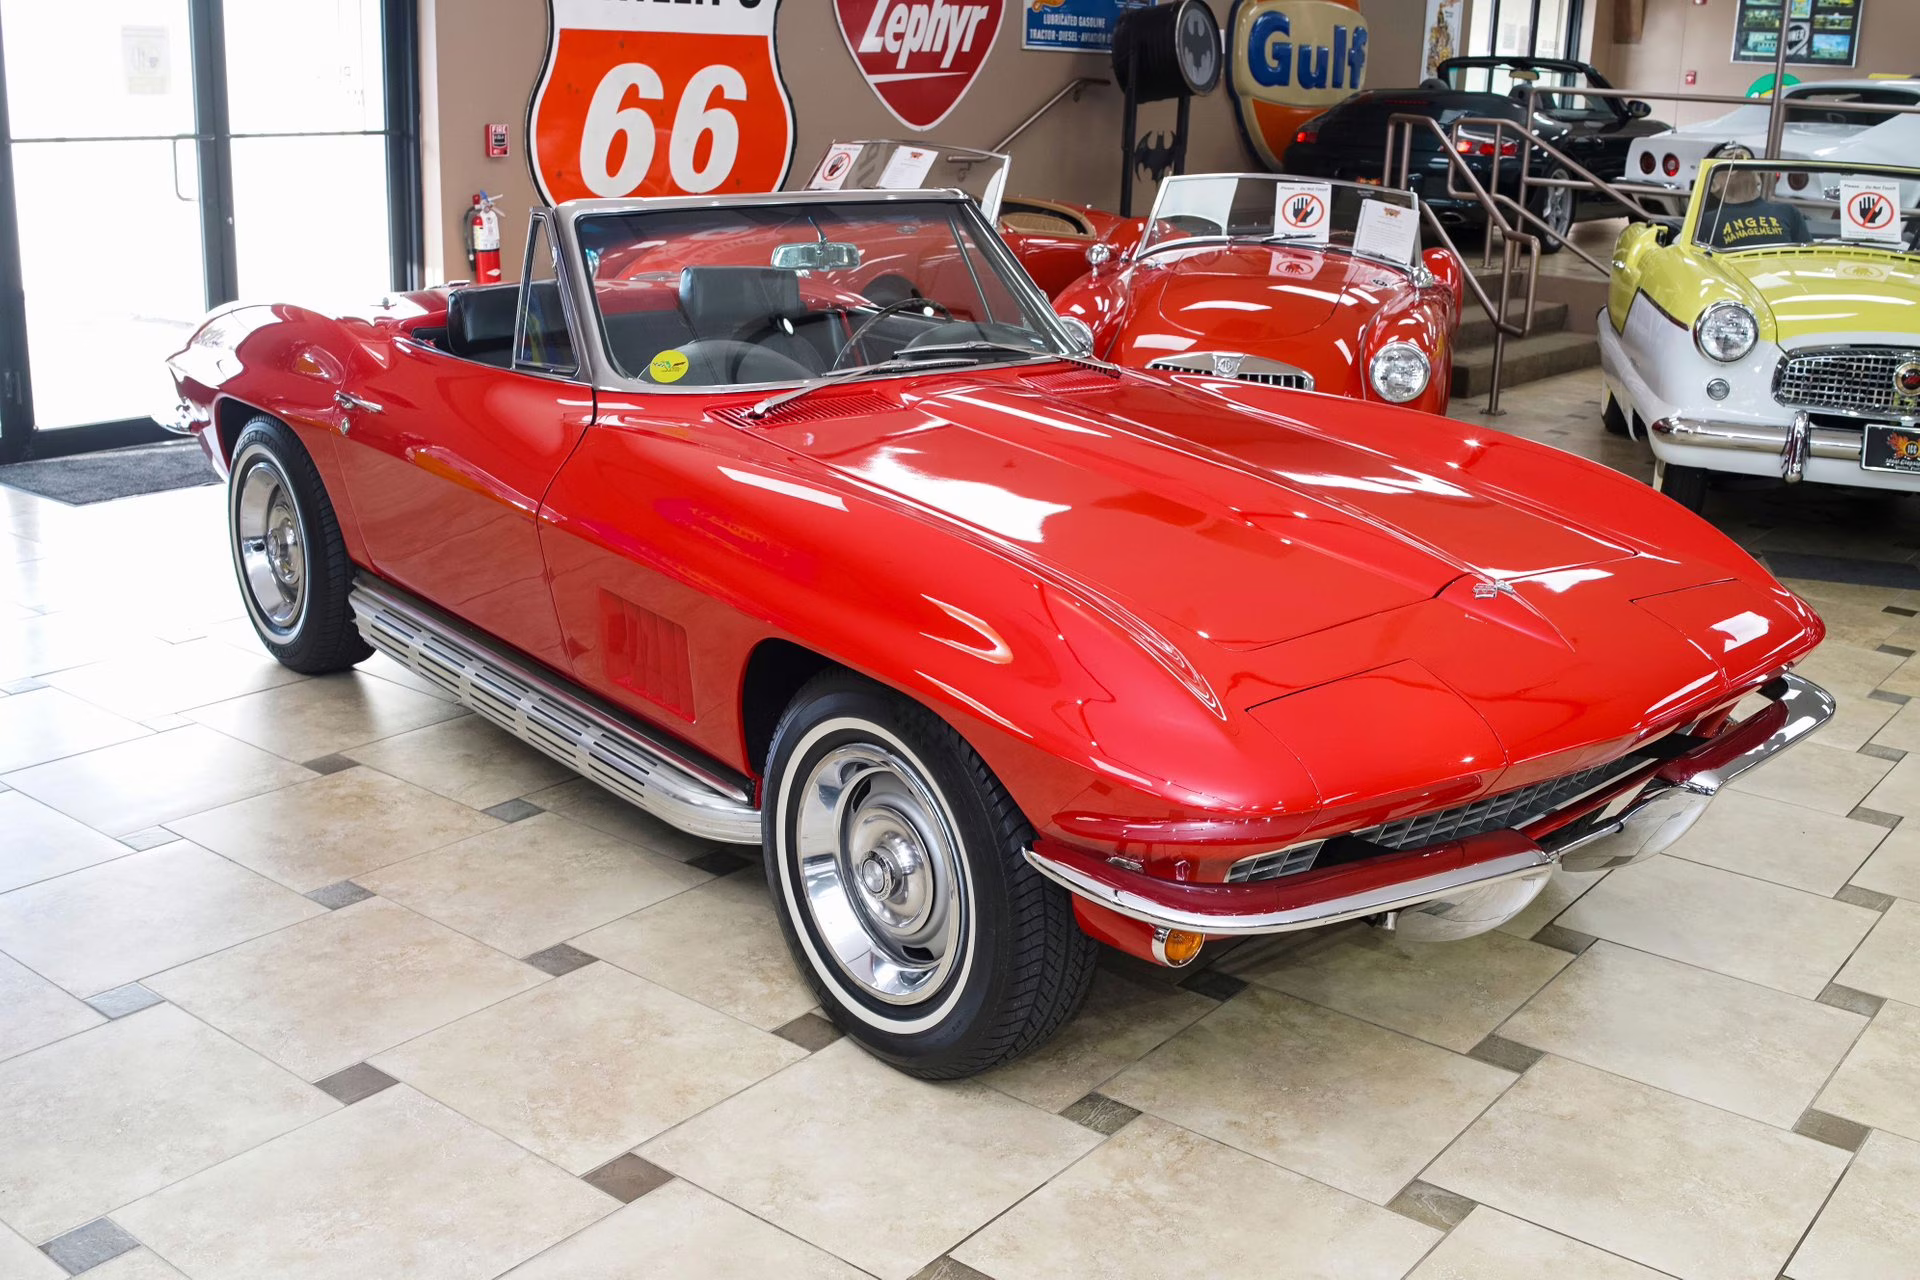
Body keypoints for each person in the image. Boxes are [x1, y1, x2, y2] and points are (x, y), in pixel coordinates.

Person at [1699, 167, 1808, 250]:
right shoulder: (1704, 222)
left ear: (1758, 177)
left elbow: (1807, 257)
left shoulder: (1788, 212)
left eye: (1744, 159)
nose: (1738, 157)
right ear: (1713, 185)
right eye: (1728, 163)